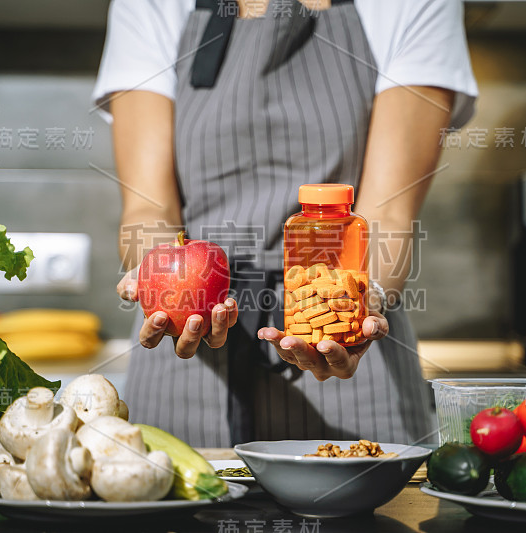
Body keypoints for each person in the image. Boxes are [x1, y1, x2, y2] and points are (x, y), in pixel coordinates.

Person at [93, 0, 477, 446]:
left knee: (370, 513)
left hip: (347, 346)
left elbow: (388, 212)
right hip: (187, 342)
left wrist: (364, 300)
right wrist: (157, 278)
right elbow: (148, 210)